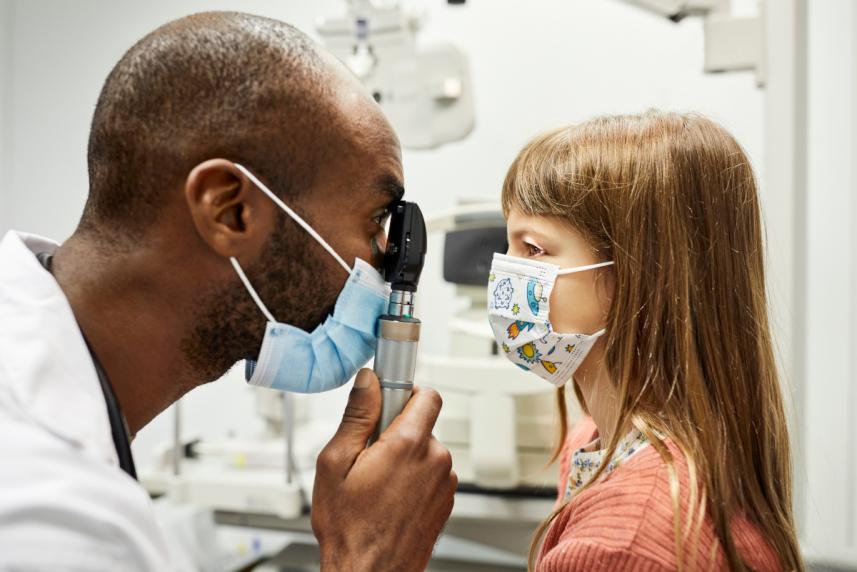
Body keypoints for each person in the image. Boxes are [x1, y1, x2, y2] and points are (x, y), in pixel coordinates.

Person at [0, 12, 456, 571]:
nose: (384, 264)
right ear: (230, 211)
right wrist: (368, 558)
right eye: (375, 220)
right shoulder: (48, 516)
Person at [487, 111, 804, 571]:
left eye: (533, 249)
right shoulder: (602, 445)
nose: (505, 270)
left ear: (638, 277)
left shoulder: (623, 546)